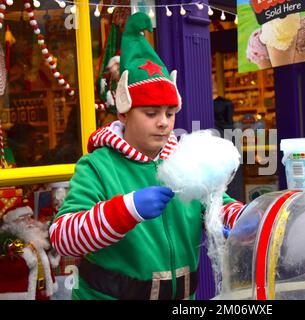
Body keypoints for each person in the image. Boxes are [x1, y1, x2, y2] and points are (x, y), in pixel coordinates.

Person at [49, 13, 244, 300]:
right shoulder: (97, 167)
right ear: (124, 113)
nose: (164, 122)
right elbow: (63, 237)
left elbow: (217, 204)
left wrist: (245, 219)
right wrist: (127, 209)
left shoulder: (186, 160)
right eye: (151, 113)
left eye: (169, 112)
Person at [0, 203, 60, 299]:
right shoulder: (8, 243)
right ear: (12, 223)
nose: (30, 222)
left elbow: (46, 261)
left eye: (30, 217)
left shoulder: (35, 238)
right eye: (23, 219)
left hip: (41, 292)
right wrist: (27, 253)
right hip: (21, 295)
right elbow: (10, 270)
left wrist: (53, 255)